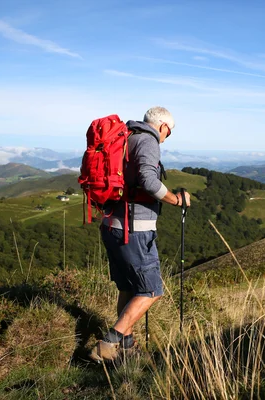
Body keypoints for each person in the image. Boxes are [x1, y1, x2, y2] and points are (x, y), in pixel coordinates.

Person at [89, 106, 190, 363]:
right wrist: (175, 199)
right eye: (170, 131)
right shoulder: (148, 140)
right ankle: (108, 343)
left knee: (128, 286)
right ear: (163, 126)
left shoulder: (127, 137)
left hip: (112, 224)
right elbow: (148, 179)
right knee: (151, 290)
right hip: (134, 229)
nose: (169, 136)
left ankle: (127, 345)